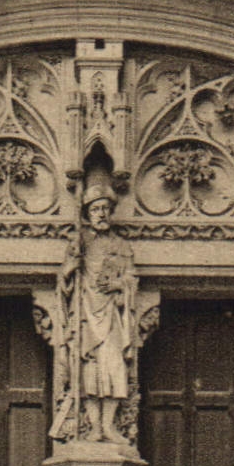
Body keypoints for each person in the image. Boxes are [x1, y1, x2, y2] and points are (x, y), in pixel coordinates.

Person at [51, 170, 136, 444]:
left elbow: (131, 279)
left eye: (105, 209)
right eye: (95, 209)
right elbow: (64, 282)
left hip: (110, 313)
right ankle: (95, 426)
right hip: (86, 313)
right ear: (87, 213)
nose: (101, 214)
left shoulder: (121, 245)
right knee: (88, 370)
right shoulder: (80, 243)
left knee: (113, 367)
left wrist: (119, 286)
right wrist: (69, 270)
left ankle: (109, 427)